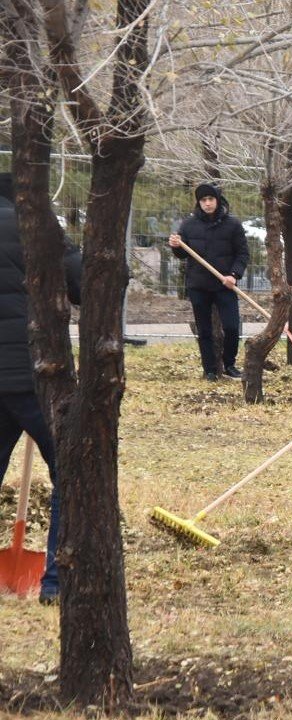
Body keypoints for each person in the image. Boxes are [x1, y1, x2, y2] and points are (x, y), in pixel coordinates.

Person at [0, 172, 83, 605]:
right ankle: (56, 583)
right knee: (70, 473)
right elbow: (86, 285)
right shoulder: (38, 229)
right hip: (33, 375)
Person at [168, 183, 249, 381]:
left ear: (217, 200)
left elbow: (243, 254)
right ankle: (210, 370)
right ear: (199, 202)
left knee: (231, 326)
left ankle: (229, 364)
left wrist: (234, 275)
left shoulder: (233, 225)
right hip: (199, 285)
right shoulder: (189, 225)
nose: (207, 203)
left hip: (225, 284)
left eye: (210, 199)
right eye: (203, 200)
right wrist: (175, 246)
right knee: (204, 330)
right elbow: (182, 254)